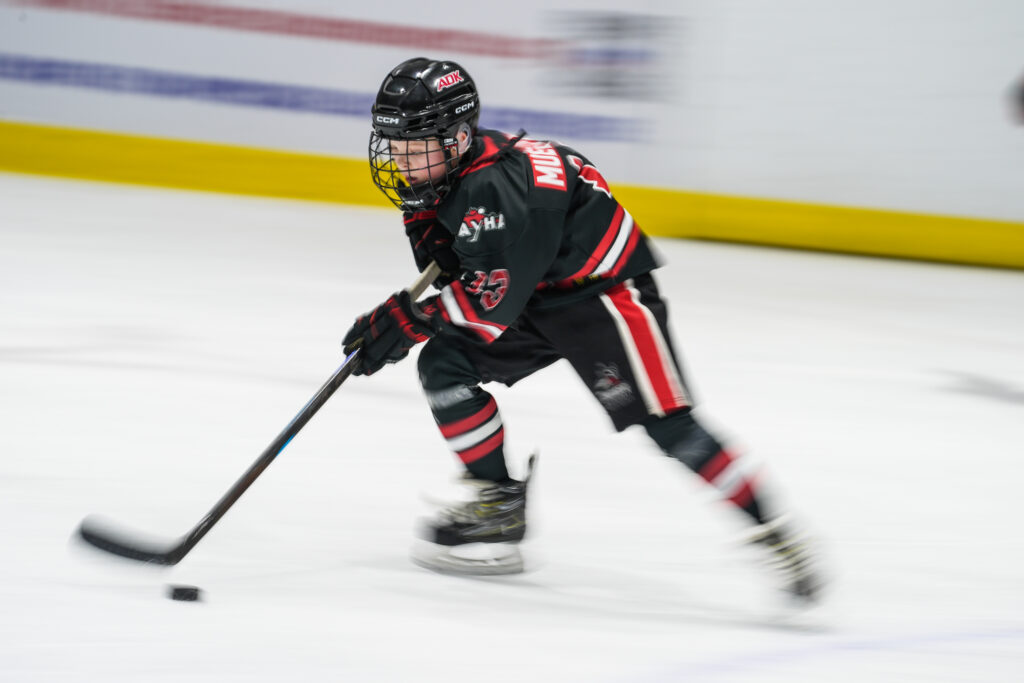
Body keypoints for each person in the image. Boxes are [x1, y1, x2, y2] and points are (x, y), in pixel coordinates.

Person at [343, 57, 823, 600]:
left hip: (604, 299)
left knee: (670, 427)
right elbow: (477, 275)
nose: (401, 161)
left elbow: (488, 303)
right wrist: (419, 302)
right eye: (395, 146)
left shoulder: (501, 189)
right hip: (533, 294)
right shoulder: (447, 178)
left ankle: (774, 531)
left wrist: (409, 318)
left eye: (415, 147)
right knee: (445, 365)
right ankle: (498, 504)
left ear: (456, 138)